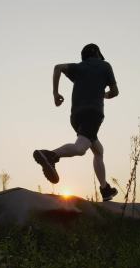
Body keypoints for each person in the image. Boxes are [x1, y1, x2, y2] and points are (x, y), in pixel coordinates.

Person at [33, 43, 120, 201]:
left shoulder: (79, 67)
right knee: (81, 148)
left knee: (98, 150)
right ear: (98, 54)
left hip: (76, 116)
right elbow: (115, 92)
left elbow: (58, 67)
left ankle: (105, 189)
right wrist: (103, 95)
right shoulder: (105, 66)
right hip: (93, 114)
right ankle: (51, 155)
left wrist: (55, 93)